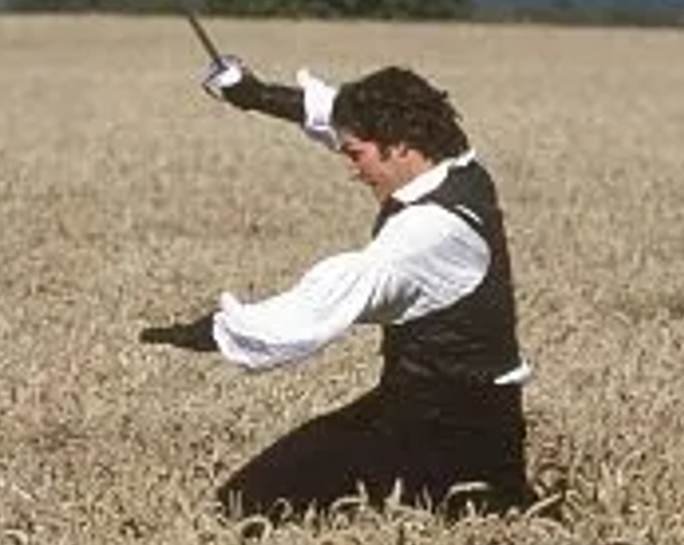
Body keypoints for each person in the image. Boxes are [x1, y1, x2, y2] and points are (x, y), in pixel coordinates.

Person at [139, 58, 536, 521]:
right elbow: (341, 117)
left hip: (447, 431)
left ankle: (490, 500)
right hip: (434, 409)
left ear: (401, 146)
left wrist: (219, 331)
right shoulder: (455, 164)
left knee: (249, 507)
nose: (352, 169)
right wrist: (257, 95)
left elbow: (327, 301)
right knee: (260, 499)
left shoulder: (430, 231)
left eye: (356, 156)